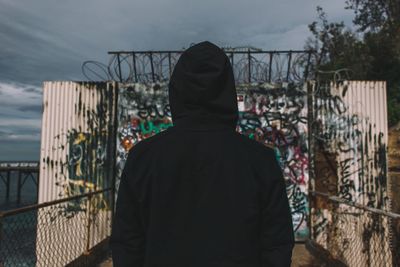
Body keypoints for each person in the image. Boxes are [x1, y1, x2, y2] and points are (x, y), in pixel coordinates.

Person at [109, 41, 295, 267]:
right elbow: (277, 244)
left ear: (177, 89)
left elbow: (127, 243)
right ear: (227, 89)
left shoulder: (143, 157)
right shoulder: (260, 160)